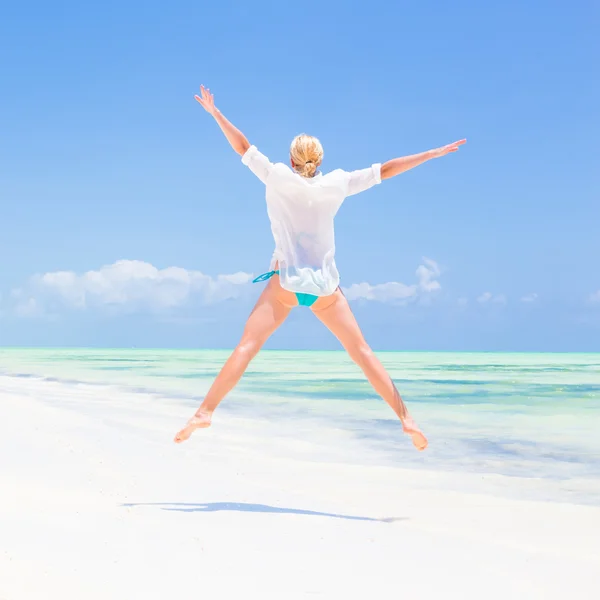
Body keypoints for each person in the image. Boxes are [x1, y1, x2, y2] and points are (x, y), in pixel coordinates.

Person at [175, 85, 466, 451]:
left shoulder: (277, 175)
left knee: (247, 346)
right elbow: (387, 170)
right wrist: (432, 153)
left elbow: (242, 147)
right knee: (361, 352)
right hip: (326, 288)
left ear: (293, 159)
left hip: (286, 283)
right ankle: (405, 418)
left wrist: (216, 114)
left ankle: (204, 411)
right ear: (319, 159)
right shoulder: (337, 182)